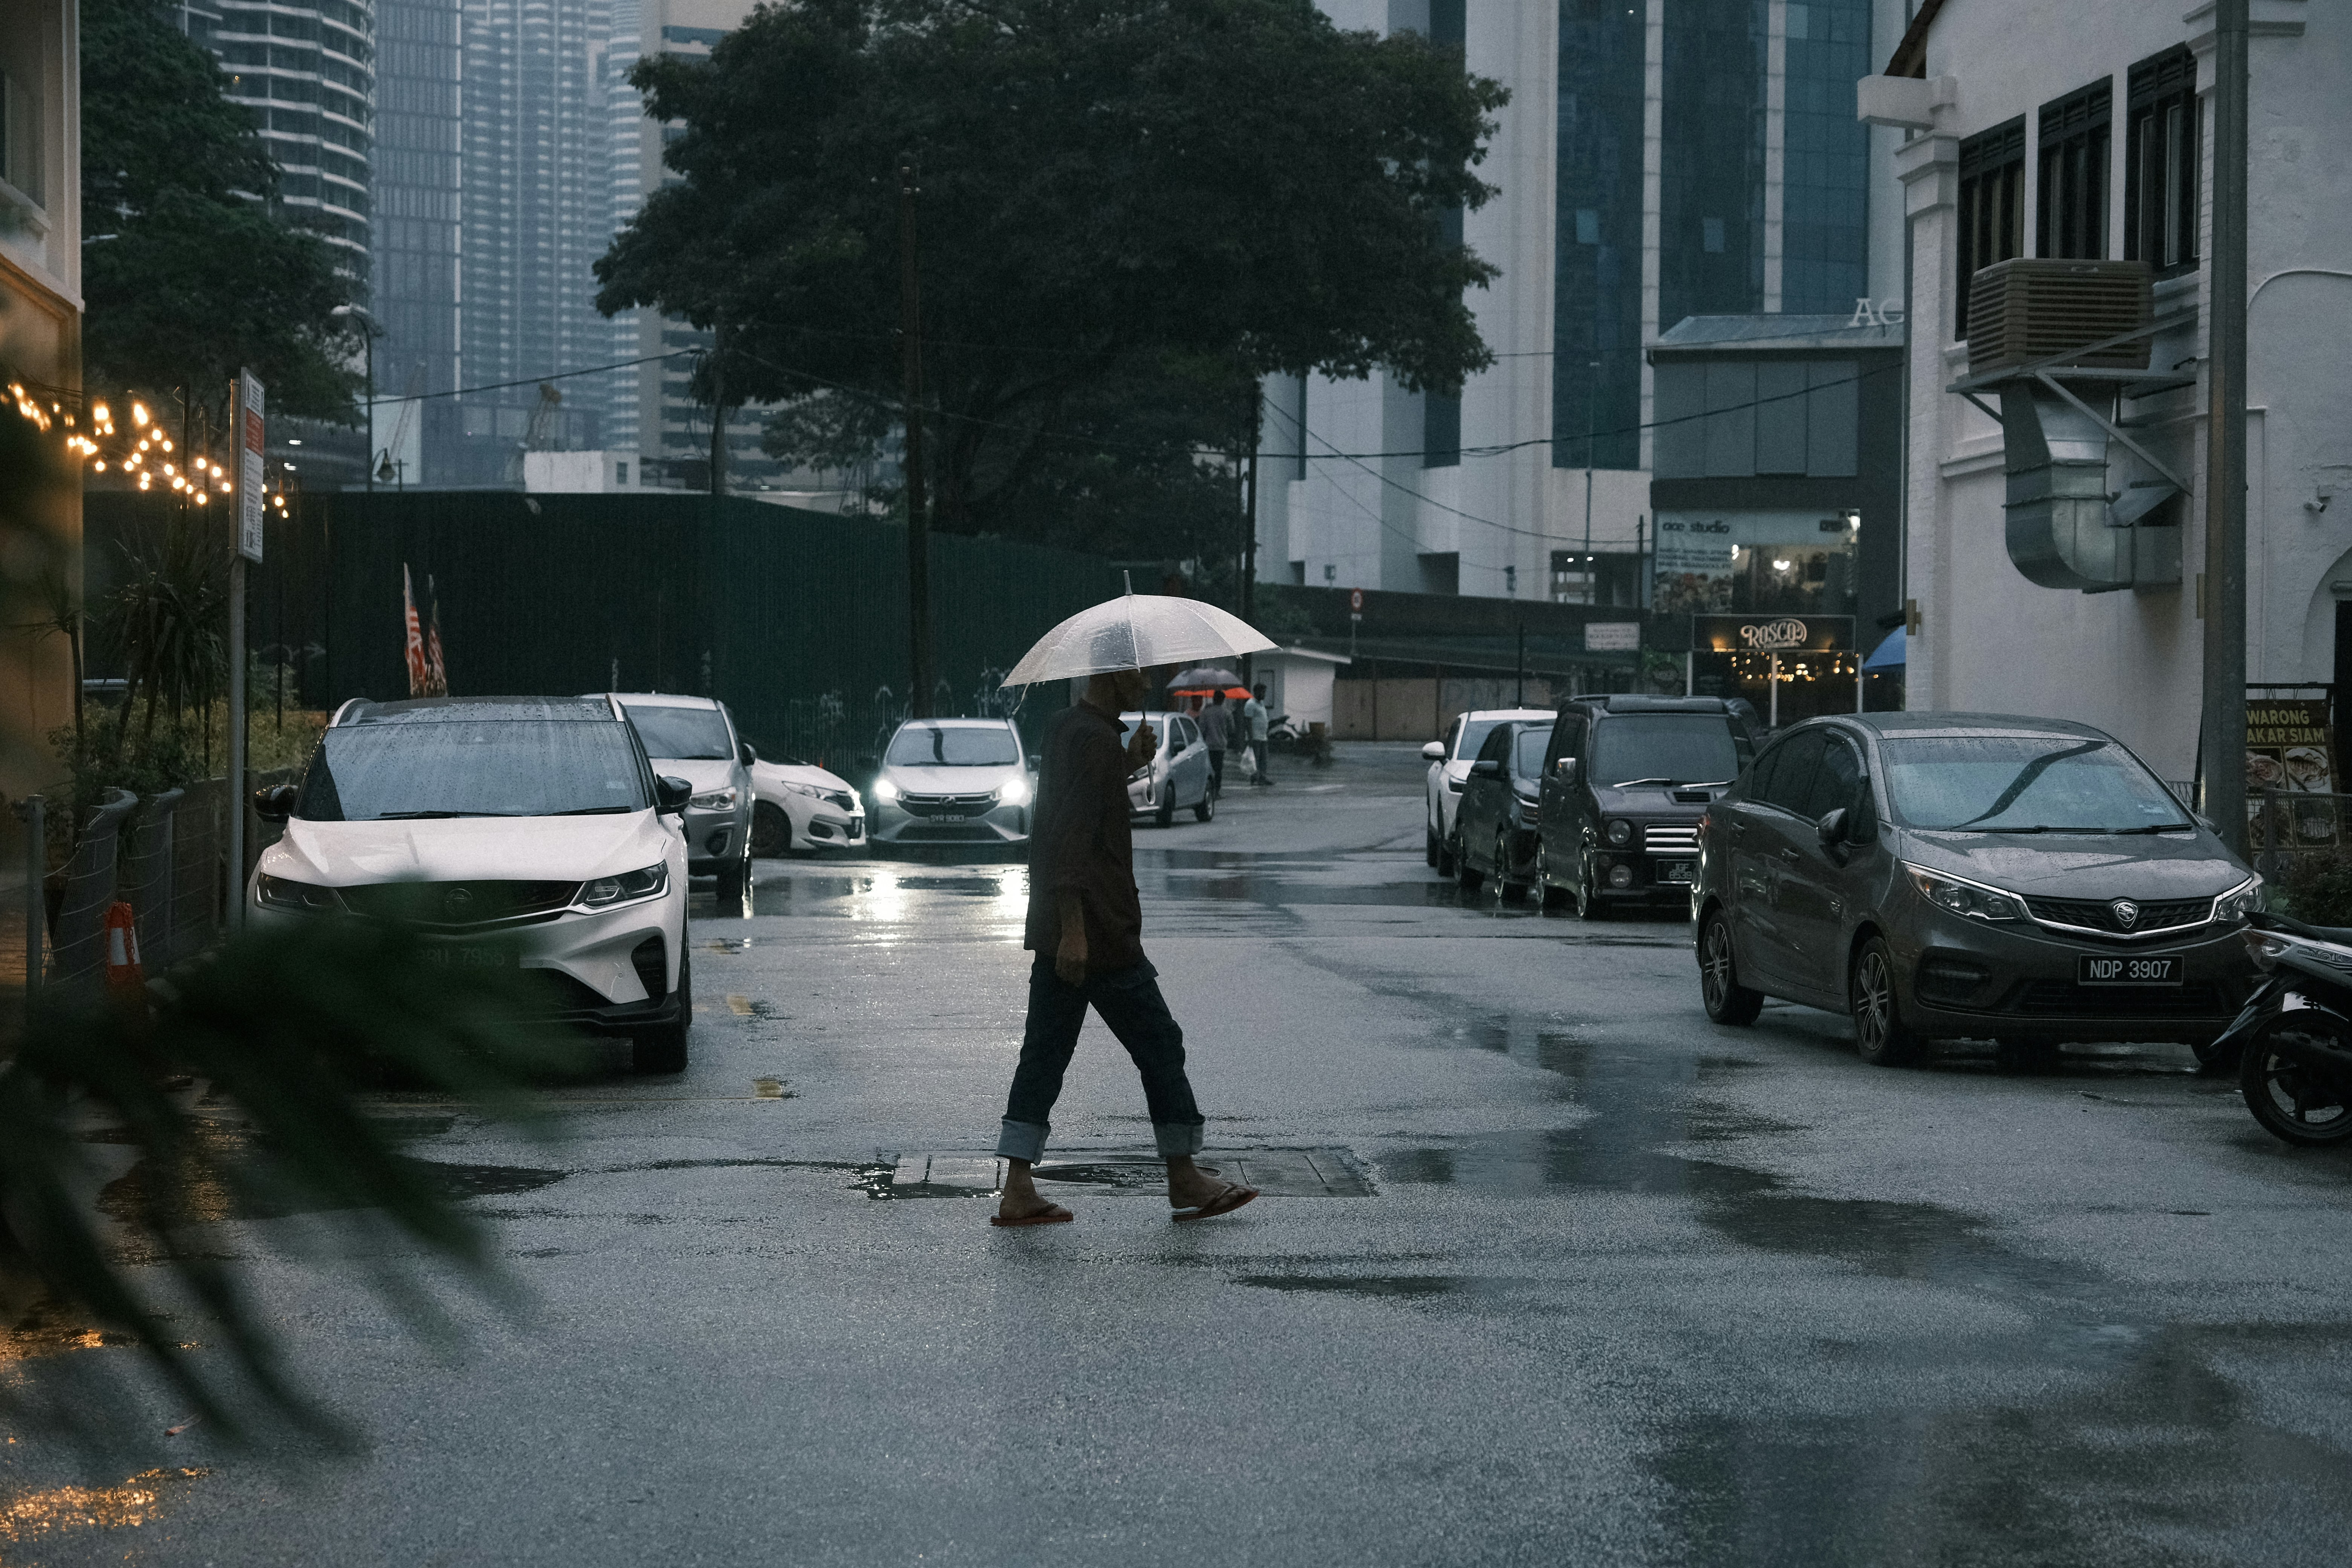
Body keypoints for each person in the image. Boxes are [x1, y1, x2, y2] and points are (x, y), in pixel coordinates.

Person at [992, 664, 1259, 1228]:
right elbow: (1072, 837)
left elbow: (1078, 801)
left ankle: (1018, 1186)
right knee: (1160, 1043)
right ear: (1114, 678)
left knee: (1043, 1055)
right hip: (1099, 934)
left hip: (1071, 929)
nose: (1148, 683)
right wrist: (1075, 930)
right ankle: (1184, 1175)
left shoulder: (1071, 728)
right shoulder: (1092, 739)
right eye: (1139, 675)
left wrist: (1130, 761)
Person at [1196, 690, 1233, 797]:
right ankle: (1217, 791)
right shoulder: (1227, 713)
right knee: (1219, 769)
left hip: (1209, 744)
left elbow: (1201, 729)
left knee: (1209, 768)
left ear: (1213, 699)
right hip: (1221, 745)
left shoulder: (1206, 712)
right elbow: (1232, 729)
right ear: (1223, 700)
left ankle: (1208, 790)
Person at [1241, 682, 1272, 785]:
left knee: (1264, 759)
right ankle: (1256, 777)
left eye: (1265, 692)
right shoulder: (1250, 704)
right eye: (1262, 692)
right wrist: (1250, 737)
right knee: (1256, 759)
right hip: (1255, 737)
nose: (1264, 695)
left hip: (1263, 737)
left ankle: (1262, 777)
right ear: (1257, 692)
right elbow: (1248, 721)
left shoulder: (1261, 704)